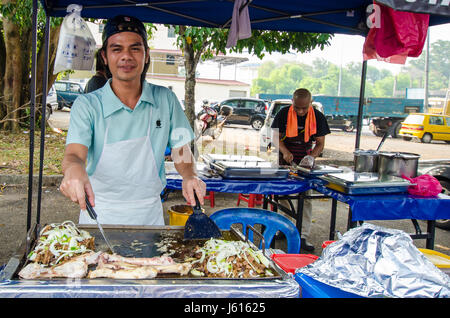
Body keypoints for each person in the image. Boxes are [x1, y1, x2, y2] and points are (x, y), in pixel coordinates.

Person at [60, 15, 206, 226]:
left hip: (149, 214)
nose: (126, 56)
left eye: (135, 48)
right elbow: (74, 155)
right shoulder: (87, 105)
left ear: (146, 55)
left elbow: (180, 149)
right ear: (105, 56)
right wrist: (73, 170)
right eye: (117, 49)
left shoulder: (166, 100)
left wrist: (189, 175)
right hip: (99, 214)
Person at [271, 88, 330, 251]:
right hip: (285, 160)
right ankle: (285, 227)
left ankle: (302, 235)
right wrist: (285, 152)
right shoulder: (283, 114)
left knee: (306, 197)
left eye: (304, 108)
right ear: (292, 102)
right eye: (297, 107)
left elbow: (320, 143)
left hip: (305, 162)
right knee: (282, 195)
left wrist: (311, 157)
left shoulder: (318, 117)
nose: (301, 111)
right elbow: (275, 138)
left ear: (311, 104)